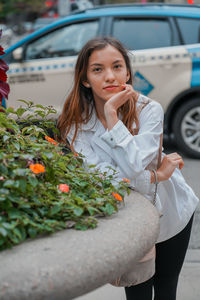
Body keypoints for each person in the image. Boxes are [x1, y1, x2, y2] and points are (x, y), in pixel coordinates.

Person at [57, 37, 199, 300]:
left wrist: (112, 116)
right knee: (137, 293)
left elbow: (131, 169)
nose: (110, 76)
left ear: (128, 72)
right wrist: (156, 175)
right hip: (128, 219)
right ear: (85, 79)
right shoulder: (76, 126)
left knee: (167, 289)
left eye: (117, 67)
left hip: (171, 212)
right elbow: (102, 180)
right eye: (98, 69)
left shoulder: (149, 110)